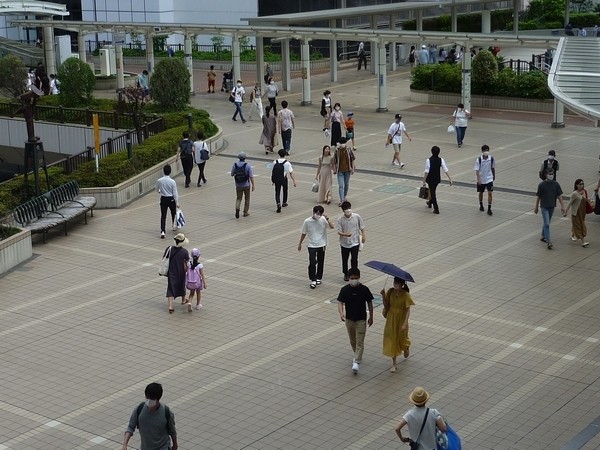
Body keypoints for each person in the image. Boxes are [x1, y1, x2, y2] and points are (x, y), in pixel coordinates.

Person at [336, 268, 374, 374]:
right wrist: (341, 313)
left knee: (360, 341)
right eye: (352, 278)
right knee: (353, 341)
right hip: (349, 319)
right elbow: (340, 302)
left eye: (356, 278)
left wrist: (371, 316)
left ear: (359, 278)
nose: (354, 280)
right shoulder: (345, 290)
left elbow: (370, 303)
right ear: (348, 278)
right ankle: (357, 355)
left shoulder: (364, 289)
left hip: (361, 319)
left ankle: (357, 361)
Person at [123, 382, 178, 450]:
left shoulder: (166, 412)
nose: (149, 400)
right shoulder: (139, 409)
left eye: (152, 399)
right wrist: (125, 445)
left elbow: (172, 431)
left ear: (158, 398)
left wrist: (175, 445)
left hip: (163, 447)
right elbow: (130, 427)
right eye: (147, 397)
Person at [381, 277, 415, 373]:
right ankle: (394, 364)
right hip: (391, 318)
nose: (395, 284)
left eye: (397, 283)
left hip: (401, 318)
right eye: (394, 282)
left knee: (402, 338)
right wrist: (383, 296)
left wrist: (405, 323)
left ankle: (406, 346)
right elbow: (385, 305)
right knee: (392, 339)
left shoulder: (405, 295)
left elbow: (408, 310)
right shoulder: (390, 291)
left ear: (402, 284)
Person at [298, 205, 335, 289]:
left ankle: (318, 277)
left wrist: (327, 218)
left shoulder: (323, 219)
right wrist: (300, 243)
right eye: (317, 213)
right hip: (311, 245)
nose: (319, 215)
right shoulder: (307, 221)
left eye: (320, 213)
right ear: (314, 212)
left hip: (322, 244)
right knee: (312, 262)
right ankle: (313, 279)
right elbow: (304, 233)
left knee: (321, 261)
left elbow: (332, 226)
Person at [534, 168, 565, 250]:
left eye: (552, 174)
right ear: (546, 175)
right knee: (547, 223)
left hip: (552, 206)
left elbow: (559, 195)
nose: (551, 175)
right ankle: (548, 241)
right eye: (550, 174)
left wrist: (562, 206)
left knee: (546, 222)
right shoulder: (541, 185)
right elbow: (538, 196)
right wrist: (536, 207)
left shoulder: (556, 184)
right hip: (544, 206)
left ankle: (543, 235)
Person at [336, 201, 365, 282]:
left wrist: (364, 235)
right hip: (344, 243)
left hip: (354, 242)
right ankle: (346, 273)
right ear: (343, 210)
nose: (348, 210)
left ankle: (354, 273)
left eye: (349, 208)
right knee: (344, 259)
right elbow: (338, 231)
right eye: (346, 209)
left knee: (354, 259)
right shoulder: (340, 219)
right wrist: (345, 234)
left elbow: (361, 226)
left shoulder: (356, 216)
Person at [423, 146, 453, 214]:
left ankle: (436, 209)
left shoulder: (429, 160)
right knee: (433, 190)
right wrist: (450, 179)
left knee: (433, 193)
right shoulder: (441, 160)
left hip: (430, 179)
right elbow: (445, 169)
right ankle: (430, 203)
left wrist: (424, 180)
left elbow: (427, 171)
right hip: (437, 179)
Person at [164, 233, 189, 313]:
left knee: (171, 288)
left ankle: (170, 306)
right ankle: (183, 300)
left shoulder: (169, 249)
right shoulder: (184, 252)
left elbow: (165, 258)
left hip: (171, 272)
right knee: (181, 285)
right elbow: (186, 264)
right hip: (181, 272)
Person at [564, 179, 590, 247]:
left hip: (582, 212)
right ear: (576, 185)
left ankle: (573, 235)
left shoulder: (584, 192)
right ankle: (583, 241)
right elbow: (570, 203)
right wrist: (566, 211)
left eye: (582, 184)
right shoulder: (575, 193)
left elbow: (585, 199)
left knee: (579, 224)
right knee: (578, 226)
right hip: (576, 212)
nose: (582, 185)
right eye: (580, 184)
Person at [155, 164, 179, 239]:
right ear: (170, 171)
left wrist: (159, 191)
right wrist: (177, 202)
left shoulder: (160, 180)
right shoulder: (172, 181)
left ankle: (163, 231)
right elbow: (175, 193)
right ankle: (174, 225)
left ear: (163, 171)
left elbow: (156, 188)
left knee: (163, 215)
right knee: (173, 213)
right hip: (171, 199)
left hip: (163, 198)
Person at [272, 148, 297, 213]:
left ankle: (278, 203)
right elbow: (291, 172)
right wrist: (294, 181)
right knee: (285, 190)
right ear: (285, 154)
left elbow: (272, 170)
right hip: (284, 178)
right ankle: (284, 202)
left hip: (277, 179)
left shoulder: (275, 162)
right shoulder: (287, 163)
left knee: (277, 192)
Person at [230, 151, 254, 218]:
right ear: (245, 158)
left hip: (238, 185)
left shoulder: (235, 164)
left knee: (238, 198)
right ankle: (245, 212)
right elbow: (251, 176)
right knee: (247, 199)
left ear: (238, 158)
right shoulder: (248, 165)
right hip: (246, 185)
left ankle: (237, 209)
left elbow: (232, 174)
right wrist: (253, 185)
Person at [332, 137, 355, 206]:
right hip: (340, 171)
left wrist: (353, 168)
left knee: (346, 184)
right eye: (341, 143)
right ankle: (342, 200)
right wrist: (334, 169)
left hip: (348, 170)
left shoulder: (348, 150)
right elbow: (334, 160)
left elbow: (352, 159)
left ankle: (344, 196)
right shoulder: (337, 151)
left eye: (344, 143)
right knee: (341, 185)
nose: (343, 144)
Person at [475, 144, 495, 215]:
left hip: (489, 178)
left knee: (490, 193)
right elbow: (477, 170)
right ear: (482, 151)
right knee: (481, 192)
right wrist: (478, 179)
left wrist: (493, 176)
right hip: (481, 178)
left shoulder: (491, 159)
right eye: (485, 150)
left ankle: (489, 208)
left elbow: (493, 167)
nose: (486, 152)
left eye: (487, 150)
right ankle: (481, 204)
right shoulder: (479, 160)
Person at [185, 248, 207, 312]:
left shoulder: (189, 264)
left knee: (191, 293)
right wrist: (205, 283)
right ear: (199, 256)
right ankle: (198, 305)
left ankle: (189, 302)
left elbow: (186, 271)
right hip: (197, 282)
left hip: (190, 281)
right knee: (198, 292)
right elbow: (202, 275)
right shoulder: (200, 265)